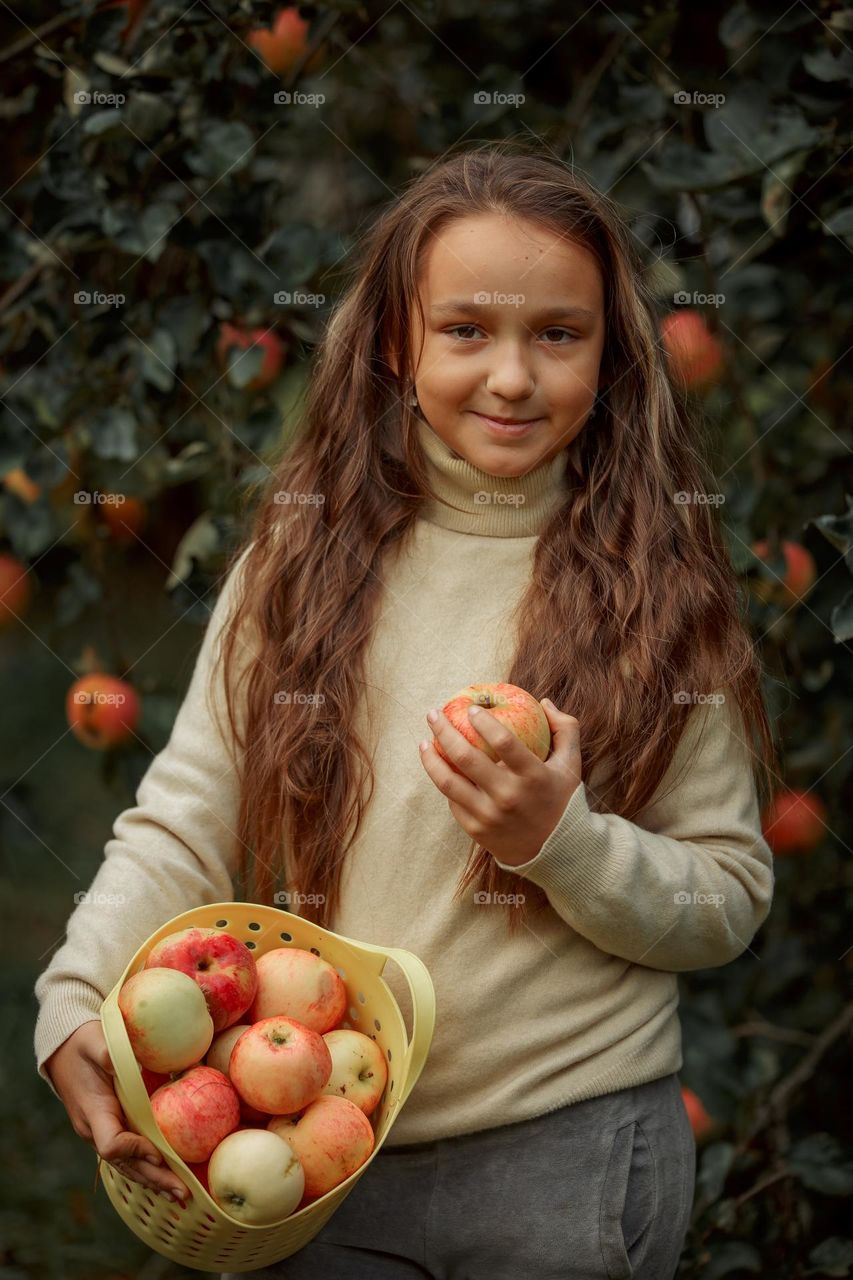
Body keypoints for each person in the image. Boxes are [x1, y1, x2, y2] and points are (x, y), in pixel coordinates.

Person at [35, 141, 777, 1279]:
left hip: (568, 1155)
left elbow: (725, 895)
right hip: (303, 1146)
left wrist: (560, 844)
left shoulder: (659, 593)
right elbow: (187, 811)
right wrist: (78, 994)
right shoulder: (302, 556)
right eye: (466, 329)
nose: (513, 377)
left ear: (613, 355)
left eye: (558, 335)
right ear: (396, 341)